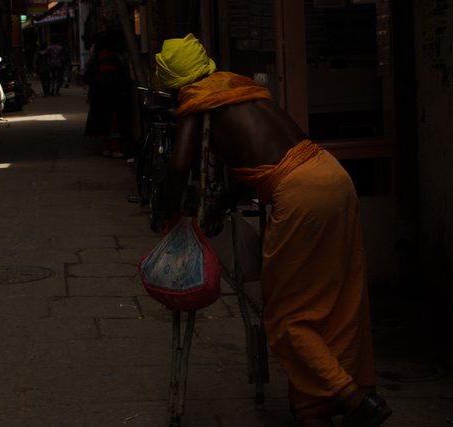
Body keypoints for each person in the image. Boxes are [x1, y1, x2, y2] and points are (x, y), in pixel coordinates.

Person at [155, 34, 392, 427]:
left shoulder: (196, 102)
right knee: (338, 300)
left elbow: (180, 166)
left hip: (299, 192)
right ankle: (315, 405)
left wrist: (167, 213)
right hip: (332, 175)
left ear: (176, 84)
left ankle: (352, 399)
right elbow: (257, 156)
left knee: (285, 317)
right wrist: (222, 202)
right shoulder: (237, 88)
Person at [83, 31, 133, 158]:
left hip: (101, 93)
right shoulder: (108, 54)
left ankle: (106, 147)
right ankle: (114, 148)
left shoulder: (98, 54)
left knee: (103, 121)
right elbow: (106, 70)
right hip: (110, 92)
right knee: (112, 122)